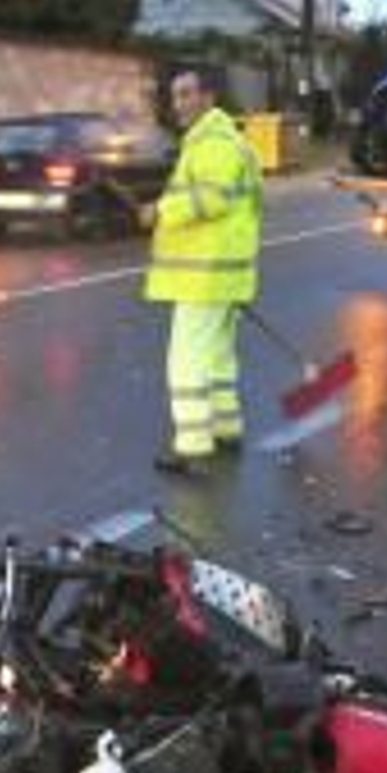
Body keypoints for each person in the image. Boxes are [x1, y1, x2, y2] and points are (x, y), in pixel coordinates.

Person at [137, 67, 265, 476]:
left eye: (186, 94)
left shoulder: (214, 142)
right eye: (174, 96)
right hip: (222, 273)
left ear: (209, 97)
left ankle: (192, 446)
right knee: (218, 356)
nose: (178, 104)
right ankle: (226, 428)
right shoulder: (225, 140)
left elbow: (211, 199)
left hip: (205, 275)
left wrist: (160, 210)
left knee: (187, 360)